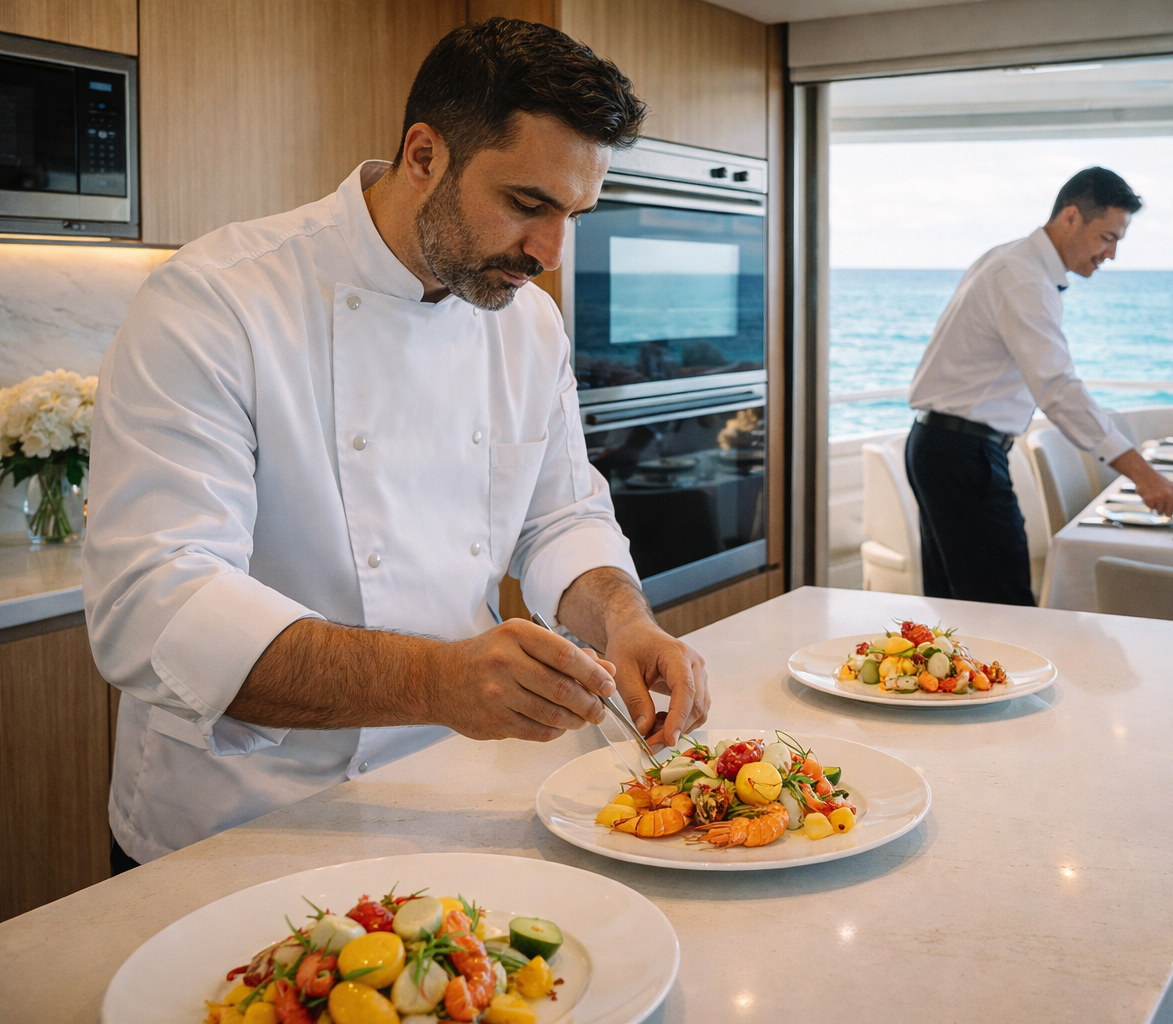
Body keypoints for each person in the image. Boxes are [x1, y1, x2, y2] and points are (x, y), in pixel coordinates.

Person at [82, 19, 710, 867]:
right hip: (238, 823)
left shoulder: (527, 323)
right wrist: (435, 682)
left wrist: (624, 621)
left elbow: (559, 516)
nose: (550, 254)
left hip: (450, 792)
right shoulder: (217, 301)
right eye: (527, 204)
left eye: (573, 215)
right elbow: (154, 604)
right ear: (424, 155)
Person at [905, 166, 1173, 606]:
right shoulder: (1023, 277)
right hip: (962, 454)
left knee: (957, 607)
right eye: (1107, 237)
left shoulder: (1013, 260)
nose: (1111, 254)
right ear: (1071, 217)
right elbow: (1058, 388)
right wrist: (1142, 474)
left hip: (945, 447)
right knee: (1005, 608)